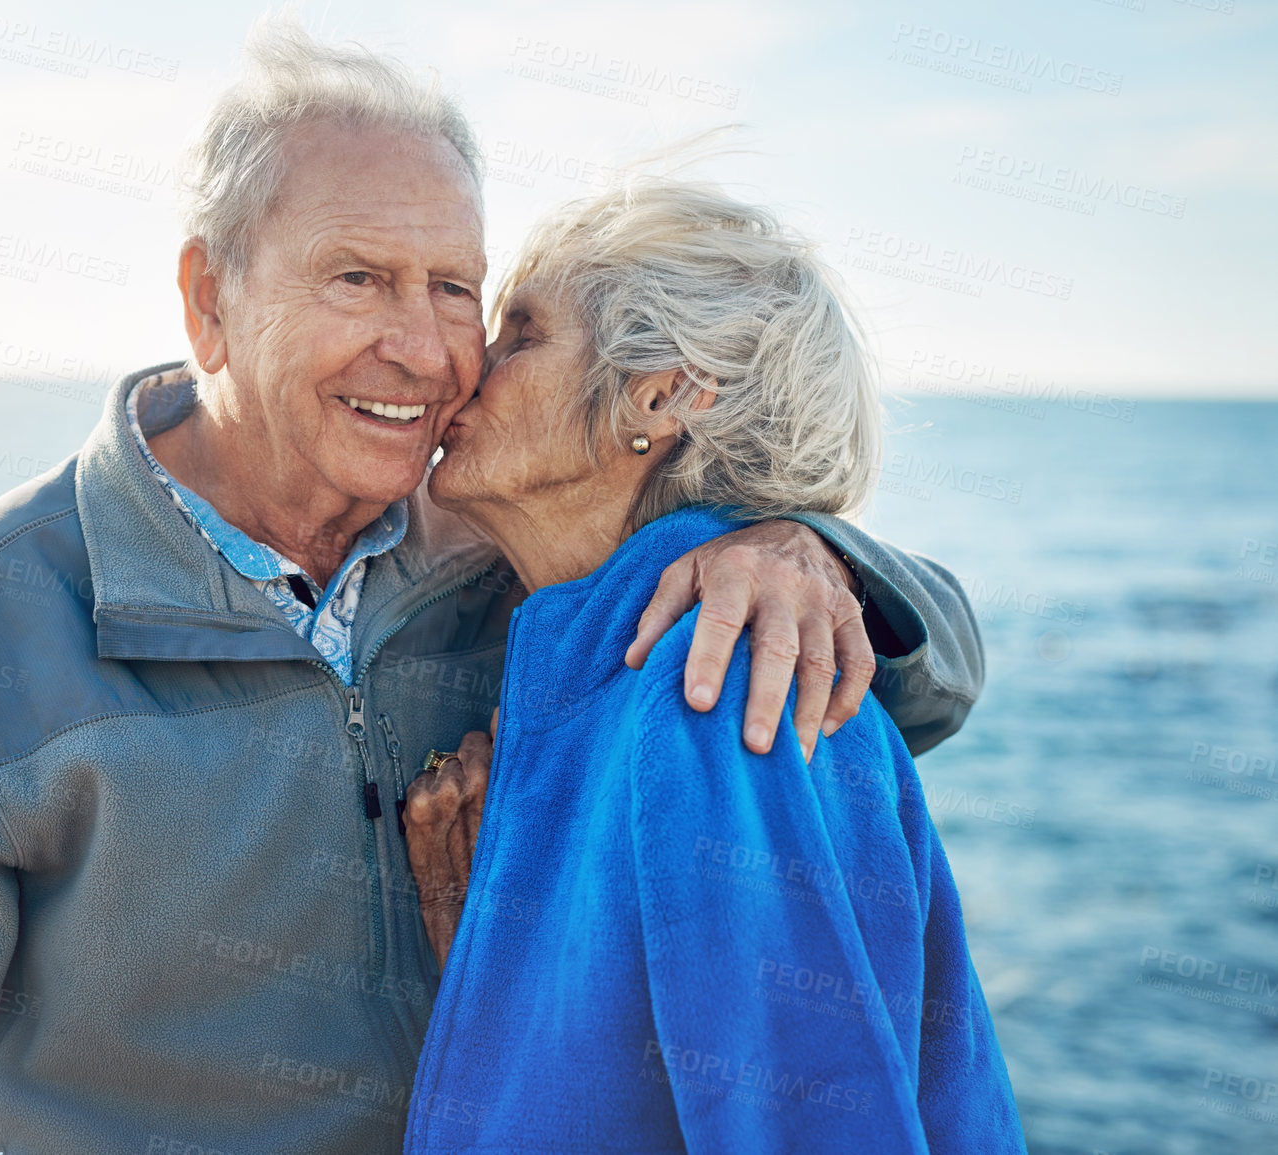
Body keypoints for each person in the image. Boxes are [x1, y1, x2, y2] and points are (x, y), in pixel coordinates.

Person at [0, 22, 984, 1155]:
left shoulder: (565, 586)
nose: (429, 354)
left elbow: (902, 701)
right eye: (357, 278)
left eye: (460, 294)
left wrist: (811, 551)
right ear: (212, 303)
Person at [402, 180, 1024, 1151]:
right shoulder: (595, 676)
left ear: (658, 397)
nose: (471, 364)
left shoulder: (724, 685)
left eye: (521, 333)